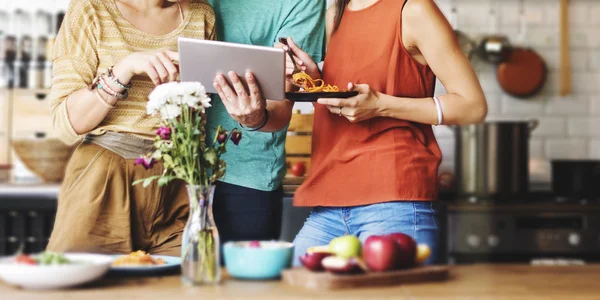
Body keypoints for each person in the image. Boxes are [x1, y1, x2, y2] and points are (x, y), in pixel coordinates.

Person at [287, 0, 487, 264]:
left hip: (395, 202)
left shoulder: (414, 10)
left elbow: (472, 106)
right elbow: (349, 100)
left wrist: (381, 106)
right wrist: (313, 80)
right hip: (330, 200)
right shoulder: (334, 14)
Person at [46, 0, 215, 255]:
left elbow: (202, 113)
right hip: (105, 179)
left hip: (179, 181)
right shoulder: (91, 9)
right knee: (85, 290)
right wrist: (124, 69)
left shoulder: (201, 14)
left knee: (187, 287)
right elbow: (66, 122)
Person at [207, 0, 325, 244]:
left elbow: (281, 105)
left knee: (246, 280)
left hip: (245, 175)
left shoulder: (302, 3)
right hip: (170, 166)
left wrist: (255, 118)